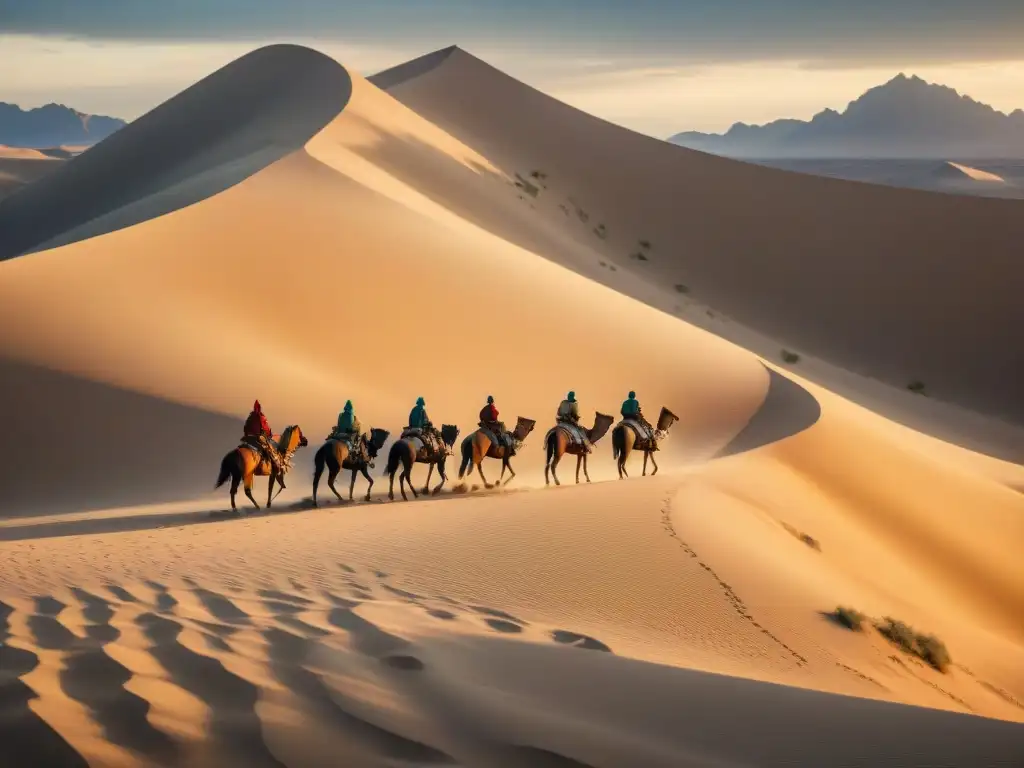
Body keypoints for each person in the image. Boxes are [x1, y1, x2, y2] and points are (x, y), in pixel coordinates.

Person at [243, 400, 286, 486]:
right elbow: (265, 427)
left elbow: (246, 428)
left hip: (247, 439)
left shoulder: (250, 417)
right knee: (270, 452)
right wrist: (269, 435)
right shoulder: (260, 417)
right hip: (258, 438)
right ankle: (275, 470)